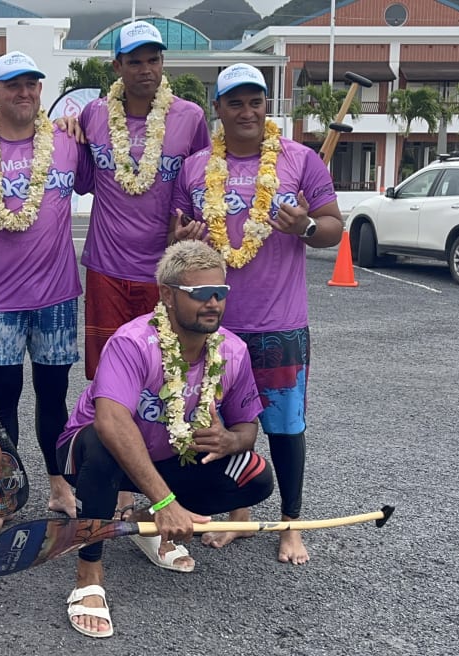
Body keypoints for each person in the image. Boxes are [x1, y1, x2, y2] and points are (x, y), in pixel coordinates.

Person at [170, 63, 343, 565]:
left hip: (281, 324)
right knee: (220, 424)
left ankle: (290, 524)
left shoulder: (300, 159)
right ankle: (239, 515)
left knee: (286, 427)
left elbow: (333, 228)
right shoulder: (195, 167)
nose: (247, 112)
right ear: (218, 109)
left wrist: (305, 226)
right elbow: (174, 235)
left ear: (267, 106)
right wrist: (182, 240)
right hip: (214, 324)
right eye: (235, 103)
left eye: (256, 102)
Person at [57, 240, 274, 638]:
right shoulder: (133, 342)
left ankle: (146, 523)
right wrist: (166, 500)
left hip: (167, 459)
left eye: (220, 293)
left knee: (255, 476)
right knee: (102, 444)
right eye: (200, 294)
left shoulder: (233, 351)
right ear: (168, 296)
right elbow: (110, 421)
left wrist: (229, 440)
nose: (213, 303)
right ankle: (89, 574)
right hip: (89, 458)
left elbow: (248, 427)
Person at [0, 51, 85, 534]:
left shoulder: (68, 144)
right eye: (13, 85)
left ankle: (59, 484)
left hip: (57, 298)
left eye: (32, 84)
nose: (24, 93)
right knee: (1, 400)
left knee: (54, 396)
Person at [77, 20, 210, 380]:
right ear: (117, 67)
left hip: (164, 270)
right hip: (106, 269)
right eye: (135, 62)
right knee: (108, 372)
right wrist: (65, 129)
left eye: (153, 60)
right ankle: (108, 437)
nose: (145, 70)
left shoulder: (191, 117)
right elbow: (82, 179)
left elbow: (202, 186)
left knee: (165, 370)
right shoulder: (94, 114)